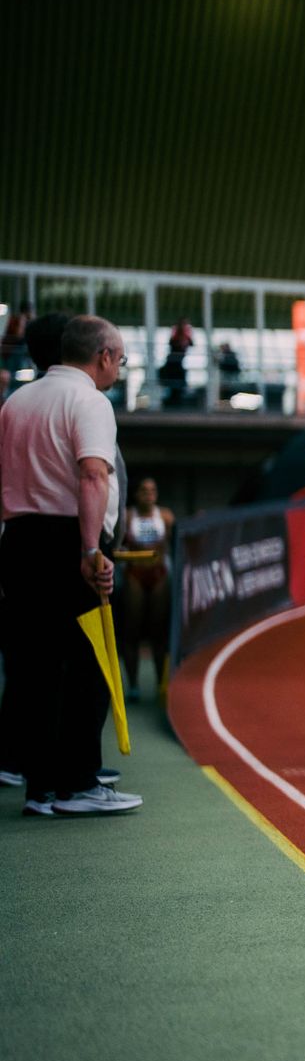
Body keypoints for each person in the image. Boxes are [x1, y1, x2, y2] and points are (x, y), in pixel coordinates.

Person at [0, 315, 140, 816]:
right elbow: (92, 476)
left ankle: (41, 788)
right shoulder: (90, 401)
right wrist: (89, 550)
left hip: (18, 541)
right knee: (88, 663)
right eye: (120, 360)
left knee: (32, 667)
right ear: (101, 356)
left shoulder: (17, 401)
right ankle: (78, 783)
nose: (119, 369)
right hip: (69, 542)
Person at [114, 478, 173, 700]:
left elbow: (177, 541)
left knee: (159, 631)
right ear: (136, 494)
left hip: (158, 575)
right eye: (144, 490)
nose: (148, 493)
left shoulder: (165, 516)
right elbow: (118, 542)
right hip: (135, 575)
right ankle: (134, 685)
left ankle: (161, 683)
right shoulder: (129, 517)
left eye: (152, 490)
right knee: (132, 630)